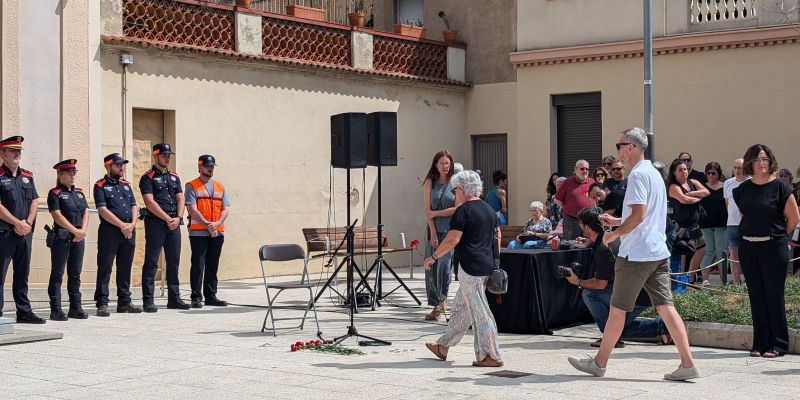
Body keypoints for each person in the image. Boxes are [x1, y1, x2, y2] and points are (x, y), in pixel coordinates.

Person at [568, 127, 698, 381]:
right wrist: (617, 222)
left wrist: (613, 235)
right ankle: (687, 363)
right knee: (666, 307)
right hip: (656, 251)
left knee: (617, 310)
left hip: (637, 254)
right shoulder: (654, 174)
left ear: (631, 147)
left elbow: (638, 216)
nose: (617, 151)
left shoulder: (638, 175)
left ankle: (599, 363)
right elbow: (644, 215)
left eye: (619, 145)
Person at [424, 170, 503, 367]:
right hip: (485, 266)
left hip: (470, 267)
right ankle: (443, 346)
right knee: (461, 308)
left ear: (461, 189)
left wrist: (434, 257)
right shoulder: (488, 210)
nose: (454, 193)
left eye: (454, 189)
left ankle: (491, 355)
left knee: (480, 312)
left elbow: (452, 239)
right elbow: (497, 238)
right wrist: (496, 262)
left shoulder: (464, 210)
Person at [567, 207, 669, 348]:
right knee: (620, 328)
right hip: (642, 292)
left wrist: (577, 281)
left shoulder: (603, 248)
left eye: (581, 225)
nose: (580, 227)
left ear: (588, 228)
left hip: (636, 296)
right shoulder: (610, 237)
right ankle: (660, 327)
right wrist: (589, 240)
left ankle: (611, 338)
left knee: (589, 293)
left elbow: (600, 284)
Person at [733, 144, 799, 358]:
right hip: (748, 247)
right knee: (756, 296)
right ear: (750, 162)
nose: (762, 163)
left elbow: (794, 218)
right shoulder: (742, 189)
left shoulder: (780, 187)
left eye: (765, 159)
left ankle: (779, 344)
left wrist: (776, 236)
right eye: (757, 159)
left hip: (773, 246)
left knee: (773, 295)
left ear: (771, 162)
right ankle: (760, 343)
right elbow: (745, 215)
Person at [0, 136, 45, 324]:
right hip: (4, 233)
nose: (17, 154)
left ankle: (24, 312)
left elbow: (34, 200)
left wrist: (27, 223)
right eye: (12, 150)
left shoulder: (27, 176)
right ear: (2, 154)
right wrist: (16, 223)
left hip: (25, 232)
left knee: (22, 273)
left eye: (19, 151)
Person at [139, 143, 188, 312]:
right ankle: (148, 300)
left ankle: (174, 298)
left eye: (169, 155)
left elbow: (181, 199)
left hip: (174, 223)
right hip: (156, 224)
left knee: (173, 261)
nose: (167, 158)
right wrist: (168, 218)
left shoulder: (174, 177)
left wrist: (179, 217)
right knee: (152, 261)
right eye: (164, 155)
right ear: (156, 156)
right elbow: (149, 202)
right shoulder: (148, 177)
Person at [94, 153, 142, 316]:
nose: (121, 168)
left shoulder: (126, 185)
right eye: (118, 165)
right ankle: (102, 303)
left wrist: (132, 224)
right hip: (110, 232)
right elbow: (102, 209)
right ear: (108, 166)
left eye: (122, 165)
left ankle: (124, 302)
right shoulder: (100, 185)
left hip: (128, 231)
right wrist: (122, 225)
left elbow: (134, 205)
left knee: (125, 266)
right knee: (105, 267)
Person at [46, 160, 90, 321]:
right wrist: (75, 231)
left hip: (78, 238)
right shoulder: (55, 193)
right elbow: (57, 215)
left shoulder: (79, 192)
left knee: (75, 274)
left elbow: (86, 212)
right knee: (58, 273)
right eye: (69, 173)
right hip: (62, 237)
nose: (73, 176)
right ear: (60, 175)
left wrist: (82, 231)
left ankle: (75, 307)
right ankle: (56, 309)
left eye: (74, 173)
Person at [186, 155, 230, 308]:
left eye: (212, 166)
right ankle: (196, 297)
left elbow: (226, 208)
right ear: (200, 167)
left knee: (212, 265)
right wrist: (207, 225)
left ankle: (211, 296)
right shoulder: (191, 185)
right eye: (207, 166)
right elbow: (192, 208)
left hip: (217, 233)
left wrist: (216, 224)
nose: (210, 168)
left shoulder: (220, 187)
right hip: (199, 232)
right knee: (198, 264)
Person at [421, 151, 457, 320]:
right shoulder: (429, 182)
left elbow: (457, 208)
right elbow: (427, 212)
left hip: (451, 230)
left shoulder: (455, 182)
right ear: (435, 164)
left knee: (444, 266)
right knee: (432, 268)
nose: (445, 166)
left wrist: (437, 213)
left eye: (447, 163)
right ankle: (436, 303)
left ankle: (442, 301)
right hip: (433, 230)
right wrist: (433, 233)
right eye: (442, 163)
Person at [667, 158, 710, 284]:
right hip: (680, 226)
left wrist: (691, 194)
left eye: (685, 169)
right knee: (682, 253)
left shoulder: (693, 181)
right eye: (680, 170)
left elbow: (706, 192)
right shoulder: (673, 186)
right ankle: (679, 281)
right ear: (674, 172)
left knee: (701, 250)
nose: (684, 172)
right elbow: (683, 200)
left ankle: (690, 276)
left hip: (694, 226)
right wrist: (697, 198)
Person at [699, 162, 728, 285]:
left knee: (721, 251)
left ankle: (723, 280)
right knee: (708, 251)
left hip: (721, 224)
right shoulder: (702, 187)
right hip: (705, 224)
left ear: (718, 174)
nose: (710, 175)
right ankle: (705, 279)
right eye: (708, 173)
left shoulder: (724, 186)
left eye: (713, 173)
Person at [554, 160, 595, 240]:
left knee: (589, 244)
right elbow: (557, 199)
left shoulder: (592, 182)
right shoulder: (567, 182)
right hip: (572, 221)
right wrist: (567, 207)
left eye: (587, 169)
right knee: (572, 245)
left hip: (589, 220)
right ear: (575, 170)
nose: (585, 171)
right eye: (582, 169)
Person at [723, 158, 748, 284]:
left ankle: (749, 281)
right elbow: (727, 203)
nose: (737, 170)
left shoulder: (751, 182)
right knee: (733, 254)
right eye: (735, 167)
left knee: (747, 254)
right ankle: (736, 282)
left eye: (740, 168)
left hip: (747, 224)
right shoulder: (727, 183)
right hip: (732, 223)